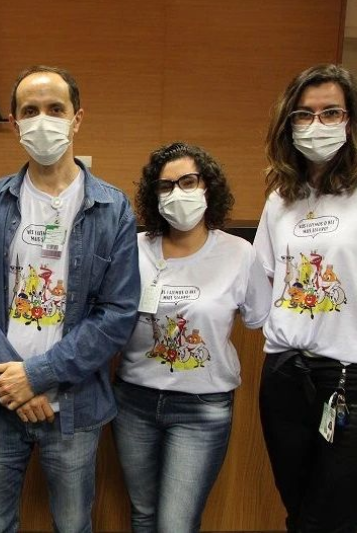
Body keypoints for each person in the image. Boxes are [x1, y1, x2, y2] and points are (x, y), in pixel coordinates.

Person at [0, 65, 140, 533]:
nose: (43, 120)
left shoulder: (113, 208)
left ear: (77, 119)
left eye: (55, 109)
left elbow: (117, 313)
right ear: (15, 123)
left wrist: (37, 376)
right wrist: (15, 386)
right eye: (30, 110)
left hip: (73, 406)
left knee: (73, 525)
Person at [112, 142, 271, 533]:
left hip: (201, 408)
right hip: (134, 401)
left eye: (187, 182)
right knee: (143, 513)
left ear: (207, 186)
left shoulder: (239, 254)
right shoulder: (133, 249)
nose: (177, 194)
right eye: (165, 186)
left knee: (176, 524)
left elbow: (258, 317)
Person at [255, 63, 357, 532]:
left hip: (346, 376)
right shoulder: (281, 198)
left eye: (330, 112)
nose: (317, 125)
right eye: (304, 114)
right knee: (297, 509)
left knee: (330, 516)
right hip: (284, 373)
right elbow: (264, 279)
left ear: (349, 120)